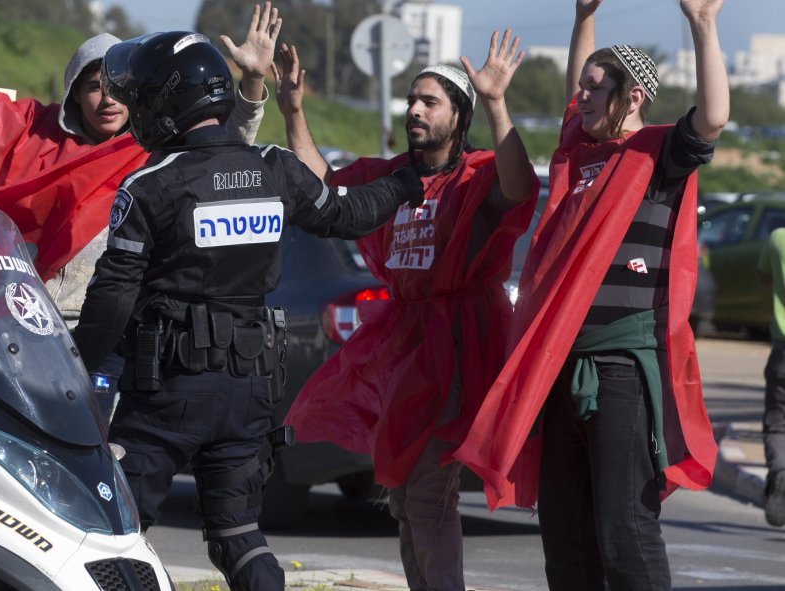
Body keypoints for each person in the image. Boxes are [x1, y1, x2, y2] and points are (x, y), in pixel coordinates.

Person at [74, 31, 424, 590]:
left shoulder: (149, 184)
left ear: (166, 102)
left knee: (113, 529)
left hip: (168, 388)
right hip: (251, 387)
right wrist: (406, 182)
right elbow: (347, 214)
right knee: (237, 535)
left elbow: (112, 296)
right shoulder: (273, 167)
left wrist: (72, 369)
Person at [451, 1, 729, 589]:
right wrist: (583, 19)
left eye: (595, 90)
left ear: (632, 99)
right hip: (560, 365)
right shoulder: (579, 151)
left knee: (624, 531)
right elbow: (582, 88)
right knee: (566, 534)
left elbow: (712, 118)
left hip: (624, 365)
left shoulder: (659, 153)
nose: (581, 99)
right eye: (580, 89)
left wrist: (703, 25)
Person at [0, 0, 281, 397]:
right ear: (75, 93)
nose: (108, 100)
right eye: (94, 86)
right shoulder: (28, 133)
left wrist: (252, 82)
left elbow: (225, 147)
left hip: (107, 346)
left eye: (118, 89)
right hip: (17, 335)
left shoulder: (159, 152)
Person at [275, 30, 537, 591]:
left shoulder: (481, 172)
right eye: (411, 101)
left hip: (462, 343)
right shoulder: (394, 175)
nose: (414, 110)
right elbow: (321, 186)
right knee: (402, 495)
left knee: (425, 492)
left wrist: (497, 102)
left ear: (459, 115)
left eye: (429, 101)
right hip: (406, 342)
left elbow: (521, 187)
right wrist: (293, 110)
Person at [757, 227, 785, 527]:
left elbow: (763, 278)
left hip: (783, 353)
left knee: (777, 424)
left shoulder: (777, 237)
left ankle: (780, 471)